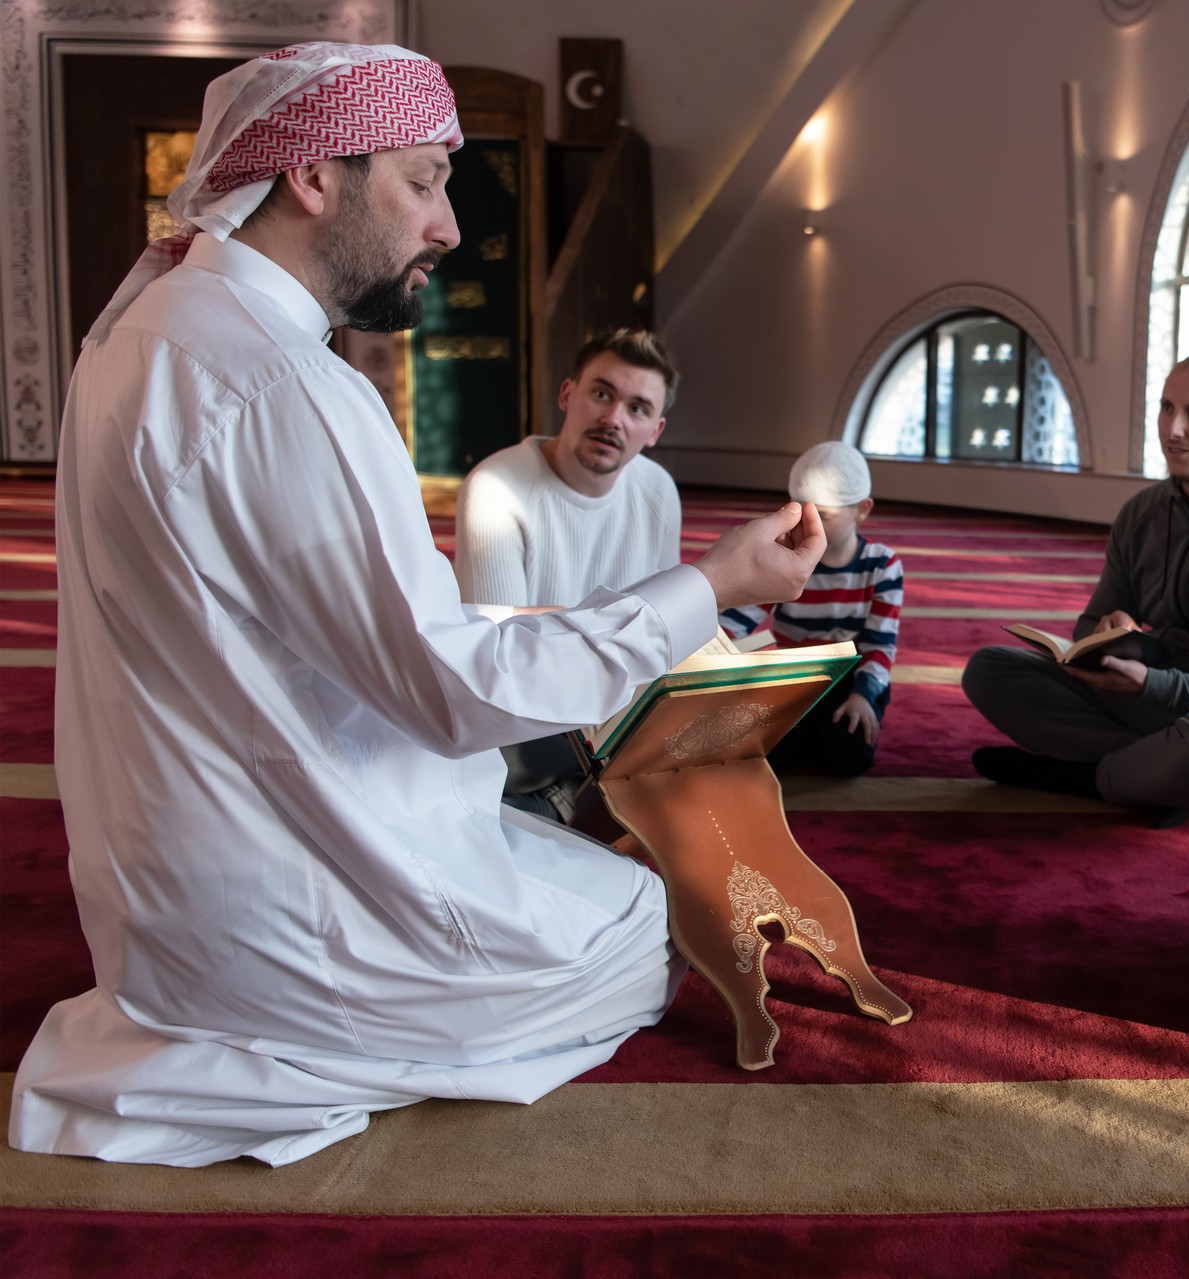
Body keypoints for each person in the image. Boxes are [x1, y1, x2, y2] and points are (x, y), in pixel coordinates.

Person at [9, 43, 824, 1168]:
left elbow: (291, 633)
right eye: (424, 178)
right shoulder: (288, 384)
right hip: (278, 912)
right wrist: (716, 584)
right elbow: (451, 694)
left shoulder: (137, 338)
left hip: (160, 896)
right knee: (647, 926)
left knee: (579, 858)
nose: (448, 224)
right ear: (310, 177)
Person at [963, 349, 1189, 828]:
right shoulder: (1143, 513)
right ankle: (1150, 775)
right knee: (990, 670)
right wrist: (1103, 633)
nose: (1172, 429)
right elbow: (1085, 626)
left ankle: (1087, 777)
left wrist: (1156, 684)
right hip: (1154, 703)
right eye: (1166, 407)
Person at [456, 327, 684, 821]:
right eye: (601, 393)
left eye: (637, 409)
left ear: (655, 432)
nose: (613, 418)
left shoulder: (658, 491)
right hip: (525, 713)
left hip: (614, 703)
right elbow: (499, 651)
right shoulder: (497, 487)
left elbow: (664, 632)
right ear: (567, 394)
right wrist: (621, 631)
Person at [721, 441, 903, 777]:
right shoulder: (787, 558)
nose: (811, 525)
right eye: (805, 513)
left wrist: (864, 696)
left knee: (848, 758)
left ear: (862, 510)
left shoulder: (881, 565)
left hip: (851, 678)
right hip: (797, 677)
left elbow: (880, 645)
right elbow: (738, 619)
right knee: (759, 756)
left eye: (826, 515)